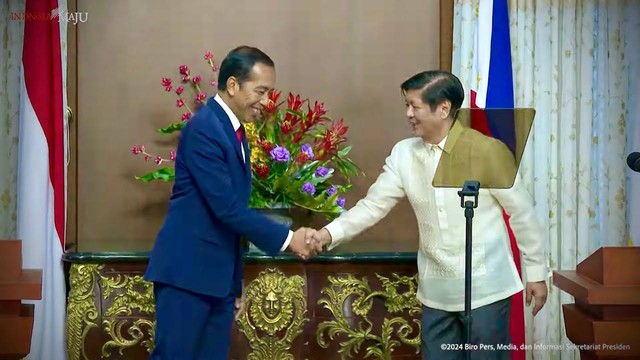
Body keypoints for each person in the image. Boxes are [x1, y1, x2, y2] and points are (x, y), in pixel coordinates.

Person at [311, 70, 548, 359]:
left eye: (415, 106)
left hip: (487, 289)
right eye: (406, 106)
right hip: (436, 292)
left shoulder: (487, 151)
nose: (409, 113)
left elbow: (522, 214)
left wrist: (536, 272)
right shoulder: (404, 154)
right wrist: (327, 234)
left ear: (444, 108)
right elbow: (372, 206)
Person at [144, 46, 321, 360]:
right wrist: (290, 239)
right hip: (187, 277)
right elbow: (226, 208)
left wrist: (233, 283)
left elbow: (228, 219)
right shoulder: (204, 129)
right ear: (232, 85)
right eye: (261, 91)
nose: (267, 102)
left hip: (216, 282)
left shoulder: (233, 130)